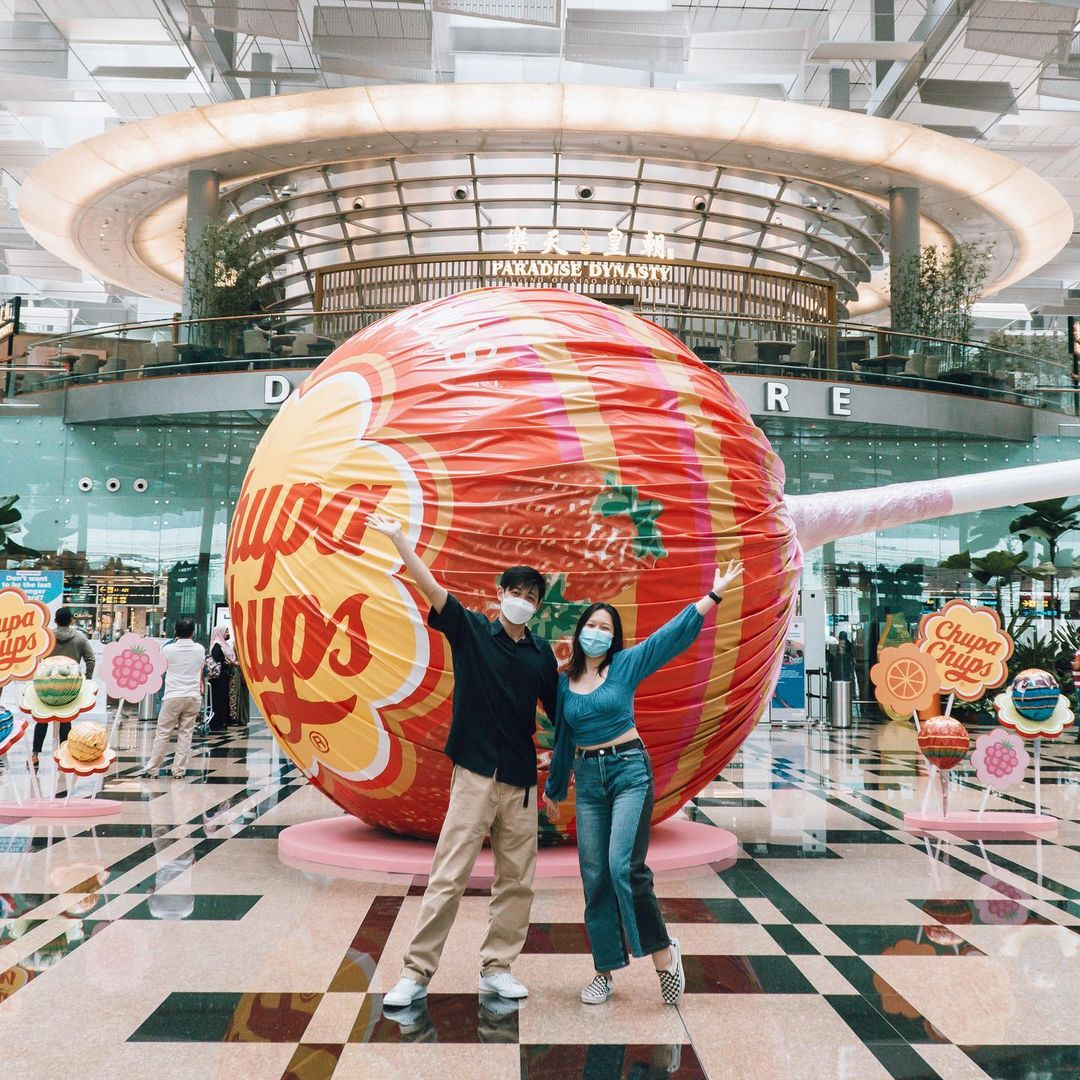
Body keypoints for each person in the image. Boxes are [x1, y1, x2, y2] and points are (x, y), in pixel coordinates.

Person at [366, 512, 558, 1009]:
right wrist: (401, 542)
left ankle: (498, 967)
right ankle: (415, 972)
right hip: (474, 773)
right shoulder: (471, 631)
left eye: (533, 598)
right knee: (448, 876)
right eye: (518, 593)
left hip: (520, 783)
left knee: (517, 882)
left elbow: (562, 714)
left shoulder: (542, 656)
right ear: (501, 594)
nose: (524, 603)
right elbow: (433, 590)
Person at [543, 561, 742, 1007]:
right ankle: (604, 971)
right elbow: (564, 737)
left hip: (630, 771)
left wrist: (711, 596)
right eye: (591, 625)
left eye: (605, 627)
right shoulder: (565, 680)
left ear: (614, 638)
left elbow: (667, 639)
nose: (597, 632)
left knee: (622, 867)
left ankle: (663, 954)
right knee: (593, 876)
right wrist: (556, 789)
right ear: (579, 632)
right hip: (589, 779)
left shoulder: (626, 664)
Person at [138, 618, 205, 781]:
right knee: (186, 734)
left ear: (175, 632)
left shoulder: (168, 650)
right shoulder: (199, 649)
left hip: (173, 696)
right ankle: (179, 770)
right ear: (193, 632)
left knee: (163, 733)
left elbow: (160, 668)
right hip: (193, 696)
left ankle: (153, 769)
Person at [31, 607, 96, 771]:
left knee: (42, 719)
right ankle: (64, 755)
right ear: (71, 620)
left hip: (46, 684)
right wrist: (87, 679)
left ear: (55, 620)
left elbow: (36, 656)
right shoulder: (79, 638)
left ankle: (35, 755)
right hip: (69, 685)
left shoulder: (47, 638)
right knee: (66, 720)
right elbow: (90, 659)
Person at [207, 625, 234, 732]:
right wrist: (227, 662)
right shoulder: (217, 645)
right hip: (218, 679)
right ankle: (217, 722)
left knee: (223, 698)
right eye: (226, 631)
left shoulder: (223, 644)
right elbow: (218, 658)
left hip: (222, 678)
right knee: (218, 699)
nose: (228, 634)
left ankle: (222, 721)